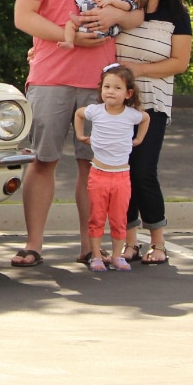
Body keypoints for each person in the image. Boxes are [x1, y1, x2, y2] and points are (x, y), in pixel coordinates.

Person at [11, 0, 143, 267]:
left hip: (103, 83)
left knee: (94, 166)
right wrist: (68, 37)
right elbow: (23, 16)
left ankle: (90, 247)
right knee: (43, 161)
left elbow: (137, 14)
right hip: (50, 76)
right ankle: (34, 245)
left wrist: (114, 16)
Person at [114, 0, 193, 265]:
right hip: (117, 106)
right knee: (121, 172)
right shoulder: (123, 6)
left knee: (143, 170)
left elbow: (180, 62)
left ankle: (158, 242)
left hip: (153, 105)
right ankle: (130, 242)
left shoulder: (177, 13)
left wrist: (139, 70)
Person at [74, 65, 148, 272]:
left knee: (119, 219)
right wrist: (80, 135)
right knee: (96, 218)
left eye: (117, 88)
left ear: (128, 93)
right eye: (106, 87)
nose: (110, 92)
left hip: (121, 177)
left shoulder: (131, 115)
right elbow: (79, 114)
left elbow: (146, 118)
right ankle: (96, 256)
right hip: (98, 174)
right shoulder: (95, 111)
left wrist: (139, 139)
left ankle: (117, 256)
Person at [62, 0, 141, 48]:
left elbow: (126, 6)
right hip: (88, 23)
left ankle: (80, 20)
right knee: (69, 24)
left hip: (105, 27)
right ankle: (69, 41)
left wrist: (112, 1)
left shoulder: (128, 1)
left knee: (99, 11)